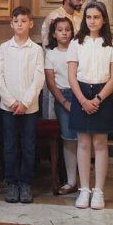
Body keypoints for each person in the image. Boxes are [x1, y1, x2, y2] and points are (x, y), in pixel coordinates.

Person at [67, 1, 113, 210]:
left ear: (103, 19)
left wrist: (97, 99)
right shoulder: (76, 43)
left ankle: (98, 190)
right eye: (89, 17)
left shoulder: (112, 44)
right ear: (84, 19)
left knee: (100, 144)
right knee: (83, 143)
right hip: (81, 92)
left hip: (102, 94)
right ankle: (84, 189)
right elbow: (71, 76)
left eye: (96, 17)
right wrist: (82, 100)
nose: (92, 21)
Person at [0, 6, 44, 205]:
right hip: (8, 107)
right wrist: (11, 101)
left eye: (24, 21)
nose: (20, 25)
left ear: (30, 24)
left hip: (29, 108)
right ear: (11, 24)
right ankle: (12, 183)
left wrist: (25, 102)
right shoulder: (5, 48)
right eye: (16, 21)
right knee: (10, 146)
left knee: (28, 146)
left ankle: (25, 183)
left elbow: (38, 78)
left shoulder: (36, 50)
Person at [43, 16, 80, 196]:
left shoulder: (78, 49)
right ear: (54, 34)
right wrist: (64, 102)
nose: (64, 33)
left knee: (84, 138)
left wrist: (79, 98)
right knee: (69, 139)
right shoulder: (51, 54)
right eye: (60, 30)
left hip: (80, 94)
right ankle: (71, 180)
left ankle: (84, 181)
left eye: (67, 29)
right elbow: (51, 82)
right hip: (62, 95)